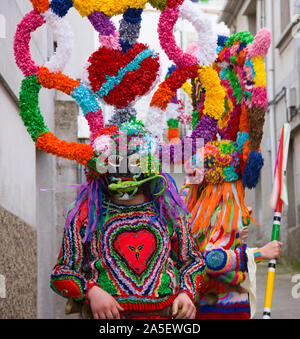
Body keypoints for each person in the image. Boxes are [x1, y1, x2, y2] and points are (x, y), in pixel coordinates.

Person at [50, 119, 206, 320]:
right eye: (115, 162)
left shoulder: (168, 214)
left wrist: (186, 293)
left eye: (132, 162)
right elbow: (61, 273)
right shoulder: (86, 217)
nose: (124, 171)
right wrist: (91, 292)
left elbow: (193, 260)